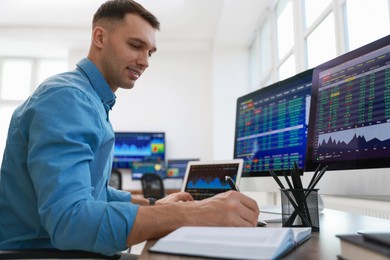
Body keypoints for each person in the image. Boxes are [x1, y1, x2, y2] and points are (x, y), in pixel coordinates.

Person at [0, 0, 259, 256]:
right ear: (99, 37)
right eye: (136, 46)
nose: (145, 61)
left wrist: (154, 204)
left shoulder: (89, 99)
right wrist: (194, 213)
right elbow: (71, 222)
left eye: (150, 52)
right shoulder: (69, 99)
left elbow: (92, 192)